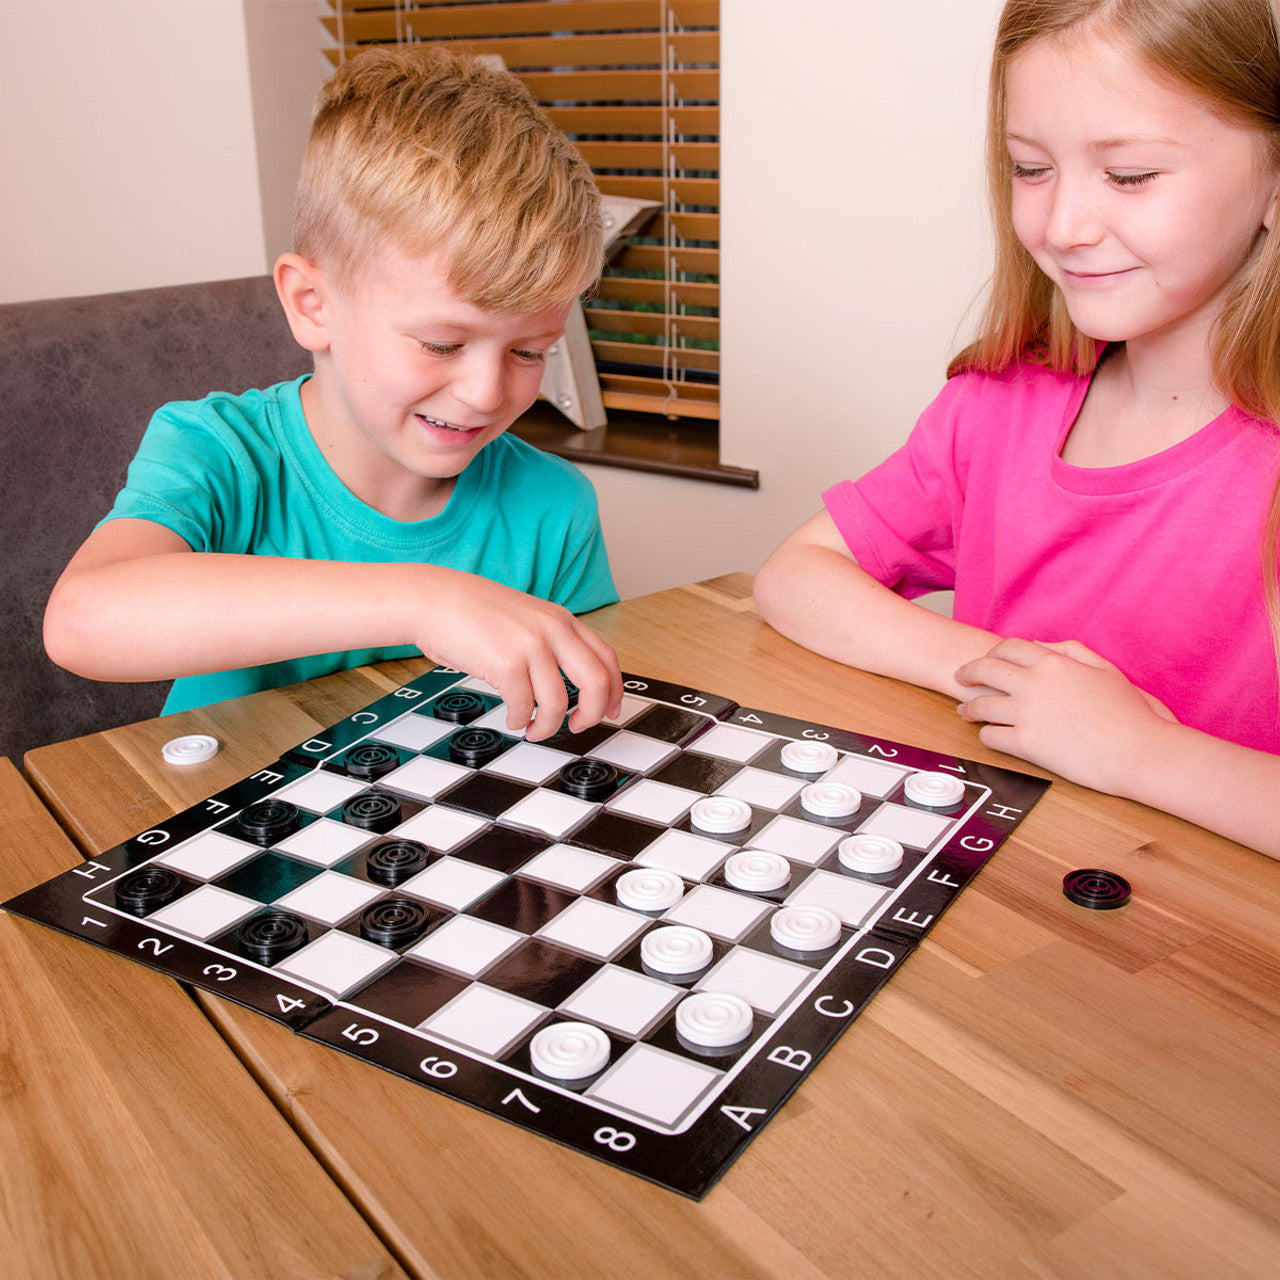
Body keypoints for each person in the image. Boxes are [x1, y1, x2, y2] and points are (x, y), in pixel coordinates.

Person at [754, 0, 1280, 858]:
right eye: (1031, 168)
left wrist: (1139, 752)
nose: (1063, 226)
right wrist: (1013, 682)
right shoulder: (1000, 402)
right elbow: (796, 576)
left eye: (1132, 175)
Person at [43, 46, 623, 741]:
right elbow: (84, 621)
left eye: (531, 352)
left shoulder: (554, 506)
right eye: (442, 343)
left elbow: (584, 715)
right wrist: (424, 601)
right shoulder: (218, 452)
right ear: (313, 304)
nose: (485, 392)